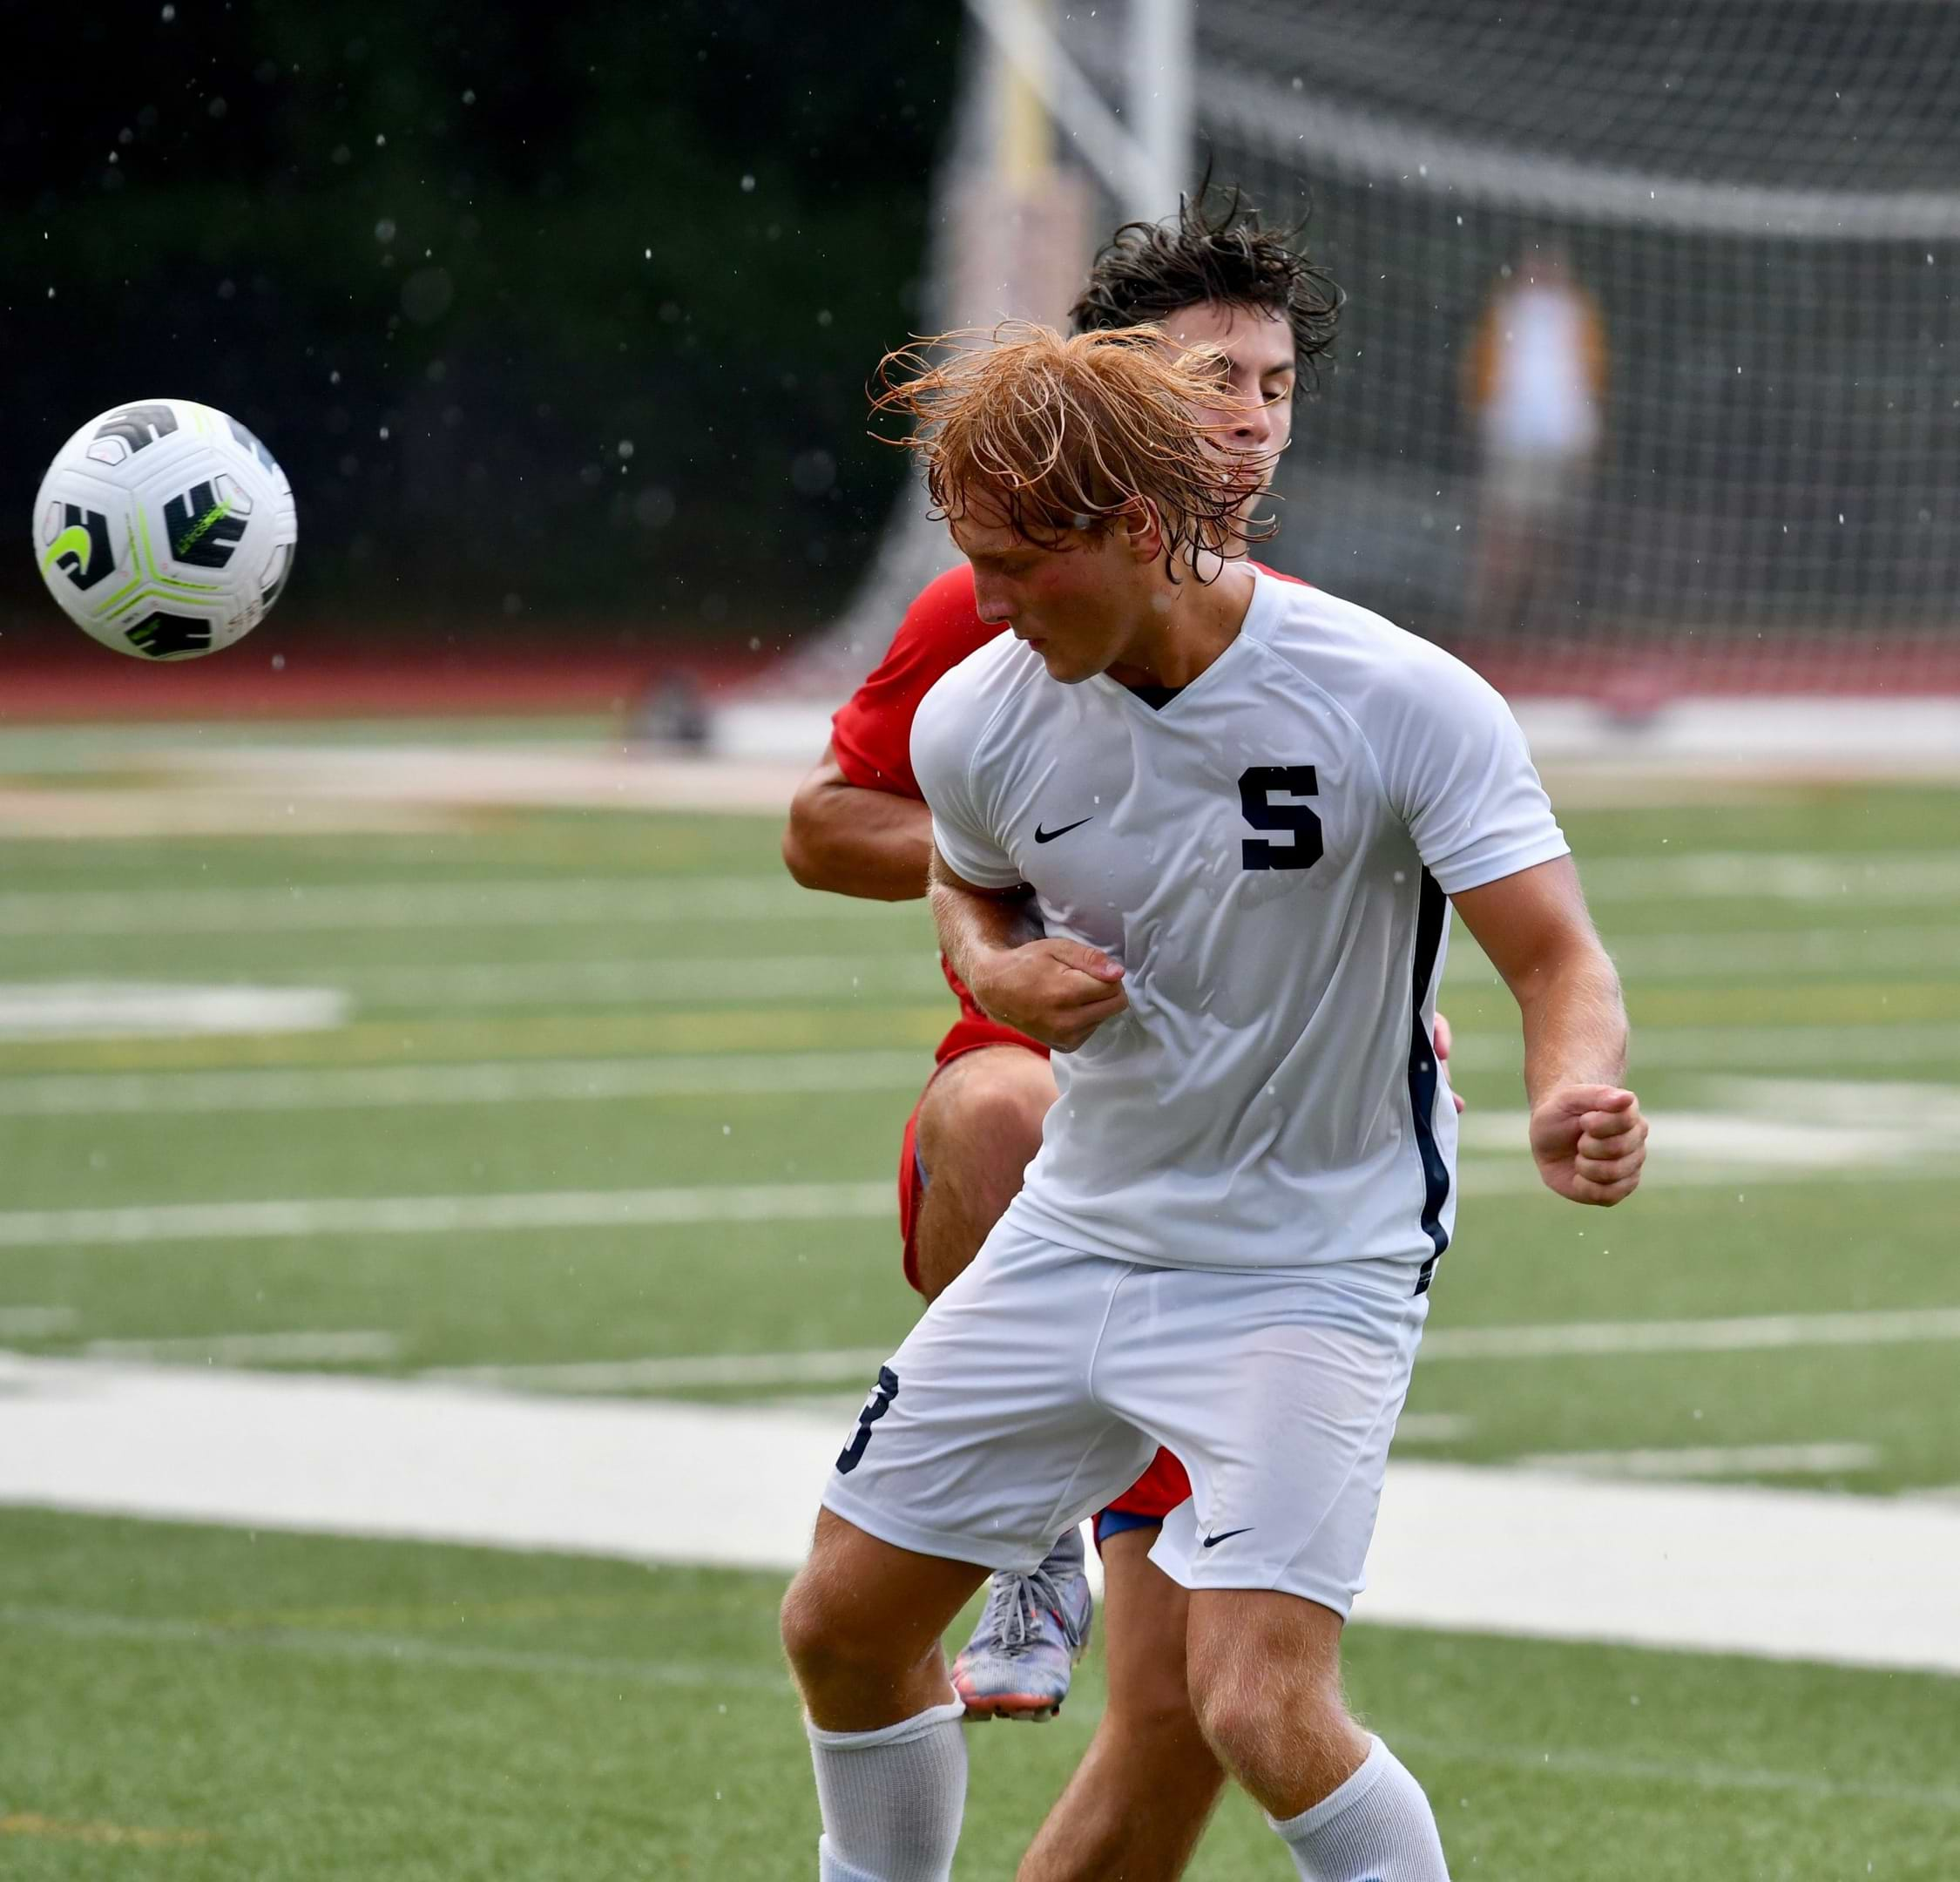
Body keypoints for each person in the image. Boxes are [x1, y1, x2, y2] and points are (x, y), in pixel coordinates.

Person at [779, 322, 1646, 1882]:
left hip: (1310, 1262)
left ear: (1133, 529)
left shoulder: (1396, 695)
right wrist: (1003, 965)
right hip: (1081, 1233)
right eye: (970, 562)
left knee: (1256, 1707)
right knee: (841, 1627)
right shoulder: (979, 713)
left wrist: (1575, 1088)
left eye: (1017, 565)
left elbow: (1556, 953)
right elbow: (965, 894)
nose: (985, 604)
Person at [787, 194, 1393, 1879]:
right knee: (999, 1113)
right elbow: (823, 823)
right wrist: (1039, 875)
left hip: (1263, 1224)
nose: (1247, 416)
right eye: (1210, 380)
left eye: (1271, 384)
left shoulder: (1321, 651)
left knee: (1196, 1720)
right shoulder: (995, 603)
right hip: (1077, 1177)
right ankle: (1023, 1530)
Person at [1462, 245, 1608, 641]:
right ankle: (1494, 620)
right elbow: (1482, 369)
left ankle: (1545, 622)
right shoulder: (1506, 309)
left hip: (1561, 439)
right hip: (1513, 436)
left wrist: (1585, 431)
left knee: (1553, 531)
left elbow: (1587, 376)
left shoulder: (1576, 313)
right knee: (1505, 529)